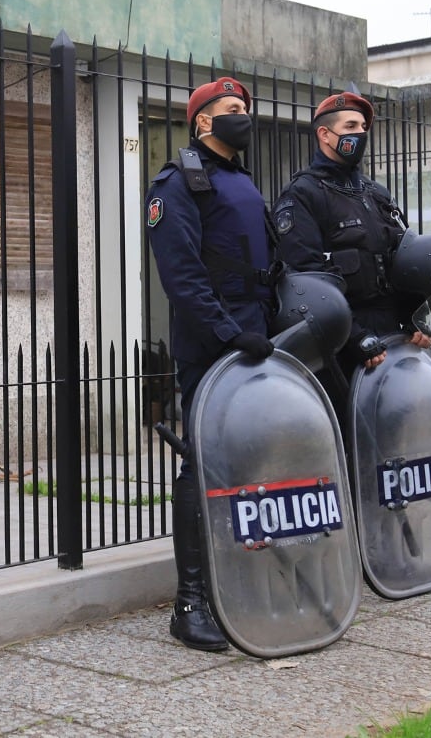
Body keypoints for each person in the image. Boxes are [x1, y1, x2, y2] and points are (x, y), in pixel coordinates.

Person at [145, 76, 275, 652]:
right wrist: (229, 334)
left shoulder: (241, 180)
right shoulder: (176, 183)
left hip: (259, 339)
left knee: (253, 462)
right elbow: (182, 278)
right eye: (231, 107)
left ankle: (242, 583)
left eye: (244, 106)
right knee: (201, 465)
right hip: (213, 346)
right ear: (203, 121)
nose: (242, 114)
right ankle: (190, 604)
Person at [271, 91, 431, 393]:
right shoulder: (303, 194)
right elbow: (304, 278)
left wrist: (416, 318)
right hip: (339, 343)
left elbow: (402, 261)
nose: (360, 133)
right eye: (350, 126)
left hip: (391, 338)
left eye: (362, 127)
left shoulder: (377, 194)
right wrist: (354, 337)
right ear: (325, 134)